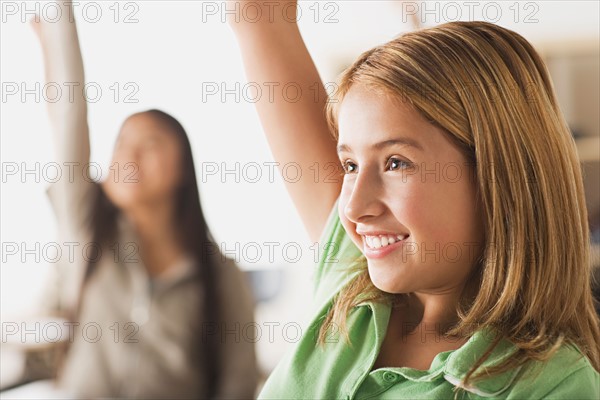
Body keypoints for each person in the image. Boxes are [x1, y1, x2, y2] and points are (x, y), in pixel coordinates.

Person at [228, 1, 600, 398]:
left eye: (395, 163)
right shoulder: (352, 283)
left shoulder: (552, 385)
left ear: (497, 175)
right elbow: (256, 13)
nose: (353, 208)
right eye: (350, 165)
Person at [29, 2, 258, 398]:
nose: (128, 158)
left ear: (184, 169)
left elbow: (238, 384)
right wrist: (58, 24)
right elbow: (69, 117)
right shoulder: (86, 230)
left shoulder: (220, 275)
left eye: (150, 144)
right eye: (121, 143)